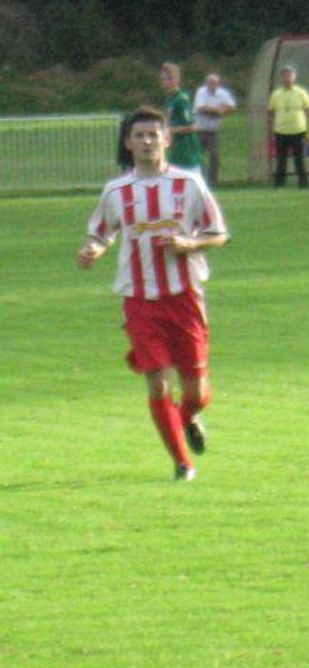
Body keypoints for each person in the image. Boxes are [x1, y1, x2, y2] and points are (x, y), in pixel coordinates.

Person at [76, 106, 229, 481]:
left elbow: (218, 233)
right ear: (128, 143)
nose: (146, 141)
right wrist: (93, 249)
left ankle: (188, 415)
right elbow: (101, 231)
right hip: (139, 300)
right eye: (139, 136)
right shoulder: (116, 190)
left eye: (153, 134)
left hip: (185, 296)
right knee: (158, 381)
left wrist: (188, 244)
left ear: (167, 139)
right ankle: (182, 463)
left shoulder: (189, 184)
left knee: (197, 390)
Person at [268, 65, 309, 188]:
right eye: (285, 75)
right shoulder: (276, 94)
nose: (287, 78)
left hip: (298, 130)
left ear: (294, 77)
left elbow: (308, 110)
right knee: (281, 158)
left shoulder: (301, 93)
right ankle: (279, 183)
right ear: (282, 77)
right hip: (281, 130)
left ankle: (303, 183)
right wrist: (275, 124)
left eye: (290, 75)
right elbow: (271, 111)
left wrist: (306, 128)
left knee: (299, 157)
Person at [193, 73, 237, 187]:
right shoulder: (201, 92)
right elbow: (201, 108)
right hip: (200, 130)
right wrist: (218, 110)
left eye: (215, 83)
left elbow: (232, 107)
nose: (212, 85)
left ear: (218, 84)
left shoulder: (222, 93)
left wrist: (216, 110)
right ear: (206, 83)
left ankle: (212, 182)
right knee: (197, 156)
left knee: (215, 157)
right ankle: (200, 179)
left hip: (214, 131)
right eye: (210, 83)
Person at [160, 62, 203, 175]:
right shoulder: (169, 100)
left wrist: (170, 131)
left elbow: (192, 126)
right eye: (163, 80)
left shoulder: (181, 99)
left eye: (170, 79)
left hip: (187, 154)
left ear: (177, 79)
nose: (166, 83)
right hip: (175, 152)